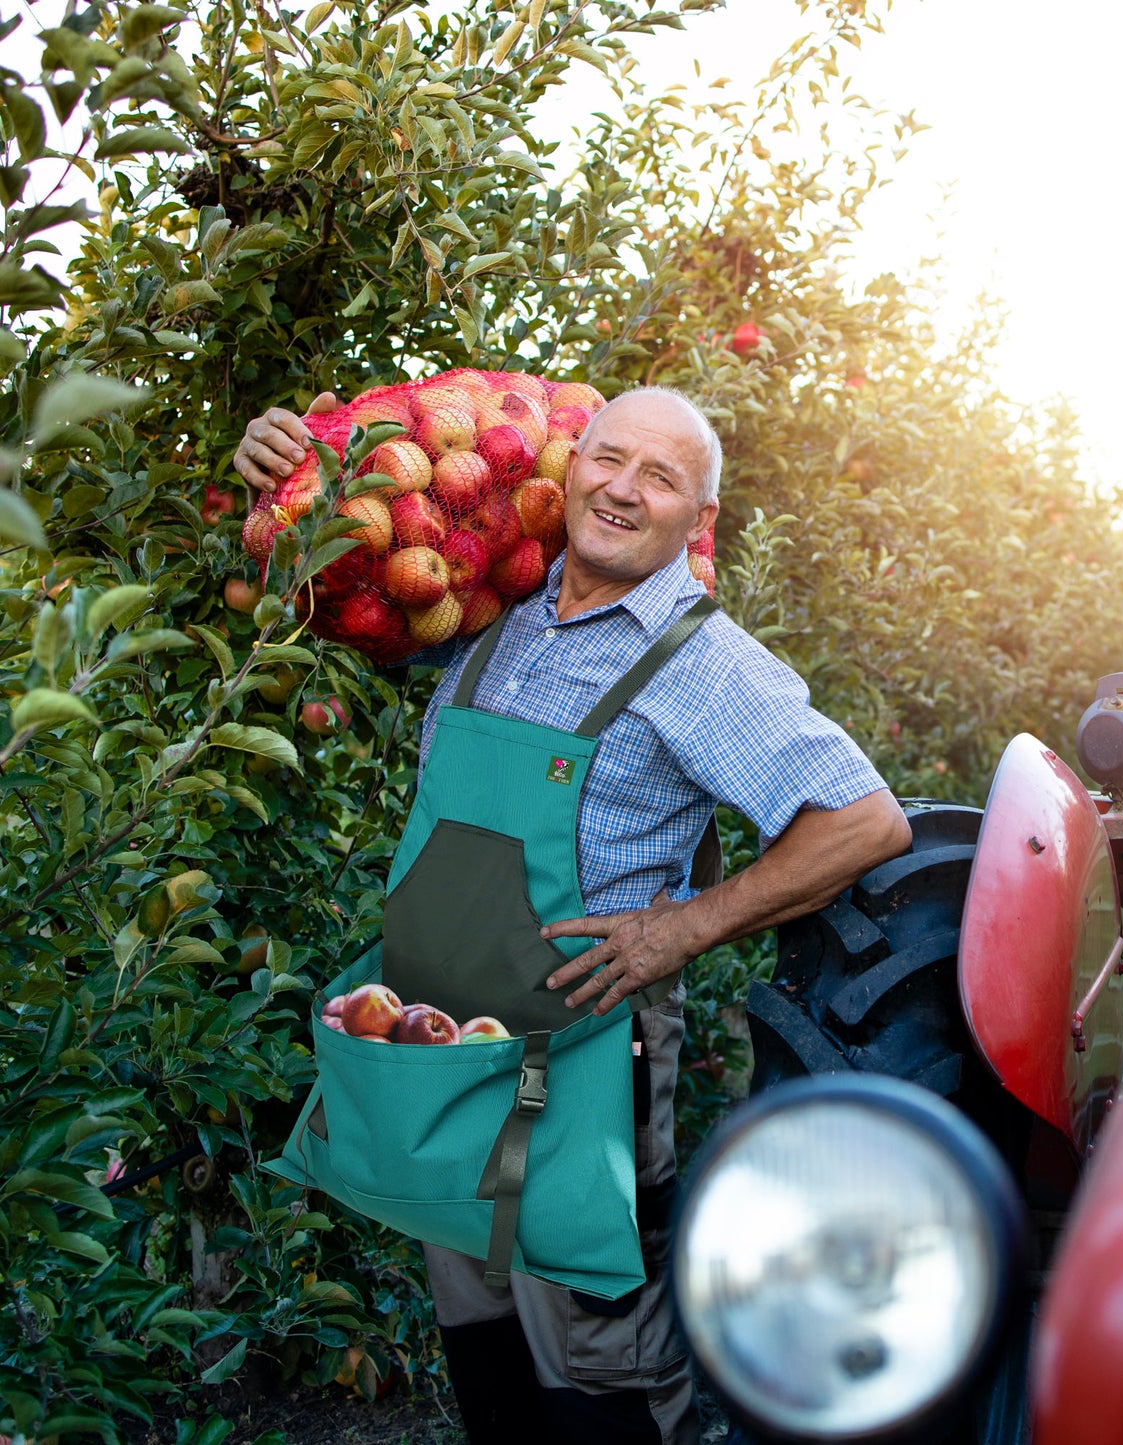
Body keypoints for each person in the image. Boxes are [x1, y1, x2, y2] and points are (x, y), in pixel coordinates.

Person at [234, 385, 913, 1444]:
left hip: (581, 1057)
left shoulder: (703, 664)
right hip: (448, 1041)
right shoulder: (492, 612)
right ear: (569, 466)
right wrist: (287, 477)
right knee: (485, 1349)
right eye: (609, 459)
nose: (624, 490)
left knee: (600, 1372)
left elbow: (862, 820)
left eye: (663, 477)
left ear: (700, 519)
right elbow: (325, 590)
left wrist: (680, 927)